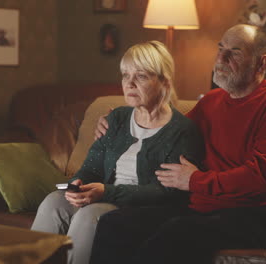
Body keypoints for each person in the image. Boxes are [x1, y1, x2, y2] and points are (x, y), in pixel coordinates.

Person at [90, 24, 266, 264]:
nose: (221, 58)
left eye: (235, 52)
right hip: (203, 209)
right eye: (220, 49)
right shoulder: (212, 101)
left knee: (174, 237)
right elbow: (167, 133)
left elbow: (263, 175)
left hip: (257, 216)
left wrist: (195, 180)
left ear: (261, 64)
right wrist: (117, 126)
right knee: (115, 224)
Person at [30, 40, 205, 264]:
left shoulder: (181, 131)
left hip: (139, 207)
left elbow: (165, 192)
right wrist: (78, 185)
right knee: (54, 202)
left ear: (164, 82)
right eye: (125, 75)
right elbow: (91, 167)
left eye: (140, 76)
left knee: (89, 216)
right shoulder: (116, 118)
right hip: (103, 194)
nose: (129, 83)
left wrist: (106, 192)